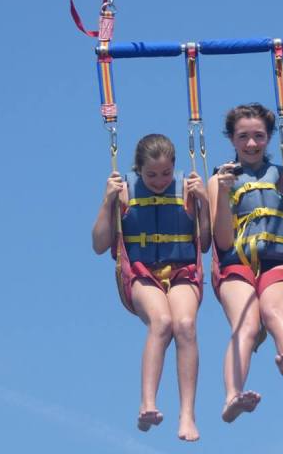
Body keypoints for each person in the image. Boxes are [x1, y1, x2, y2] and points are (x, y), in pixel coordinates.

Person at [92, 134, 211, 441]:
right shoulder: (124, 192)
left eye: (166, 174)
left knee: (185, 325)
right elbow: (99, 245)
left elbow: (207, 243)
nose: (159, 181)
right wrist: (108, 201)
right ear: (139, 170)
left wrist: (205, 203)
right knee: (163, 322)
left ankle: (187, 415)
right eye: (151, 175)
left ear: (175, 167)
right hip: (141, 273)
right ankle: (148, 403)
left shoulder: (187, 188)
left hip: (183, 270)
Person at [208, 103, 283, 424]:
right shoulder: (220, 180)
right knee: (247, 324)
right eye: (243, 137)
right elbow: (222, 240)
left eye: (259, 136)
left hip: (277, 261)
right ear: (231, 139)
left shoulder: (282, 174)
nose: (251, 144)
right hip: (234, 263)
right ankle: (232, 397)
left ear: (268, 138)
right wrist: (223, 197)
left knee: (273, 311)